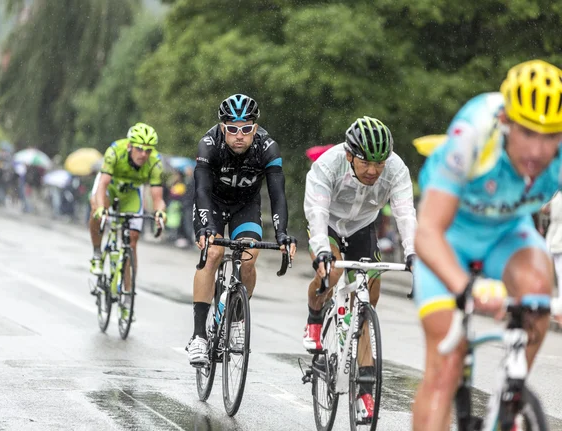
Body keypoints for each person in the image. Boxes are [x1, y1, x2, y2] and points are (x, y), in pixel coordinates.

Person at [412, 59, 562, 430]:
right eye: (528, 132)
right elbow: (427, 231)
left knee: (539, 292)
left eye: (551, 135)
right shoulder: (476, 129)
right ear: (507, 121)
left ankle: (508, 398)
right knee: (445, 367)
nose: (538, 150)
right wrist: (467, 288)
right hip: (449, 237)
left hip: (506, 234)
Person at [303, 116, 417, 417]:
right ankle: (315, 317)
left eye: (380, 163)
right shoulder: (328, 165)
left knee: (369, 296)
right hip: (328, 223)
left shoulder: (396, 169)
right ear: (350, 155)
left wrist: (413, 252)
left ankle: (365, 391)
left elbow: (405, 213)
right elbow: (316, 211)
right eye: (366, 162)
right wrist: (322, 252)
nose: (373, 170)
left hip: (362, 227)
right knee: (334, 271)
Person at [187, 93, 297, 365]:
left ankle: (236, 320)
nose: (239, 135)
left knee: (248, 257)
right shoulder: (209, 145)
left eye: (246, 129)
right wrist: (207, 228)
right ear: (223, 127)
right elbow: (200, 188)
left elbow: (277, 194)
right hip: (211, 202)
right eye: (232, 129)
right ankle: (199, 337)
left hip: (245, 206)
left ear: (255, 129)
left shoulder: (267, 147)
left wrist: (282, 233)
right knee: (212, 254)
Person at [89, 122, 166, 316]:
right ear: (130, 145)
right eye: (140, 149)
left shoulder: (155, 162)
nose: (143, 154)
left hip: (131, 194)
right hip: (110, 188)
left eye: (148, 150)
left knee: (132, 241)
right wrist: (100, 208)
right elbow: (102, 185)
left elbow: (158, 198)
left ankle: (127, 293)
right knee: (96, 212)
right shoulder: (115, 151)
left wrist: (160, 213)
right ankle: (97, 253)